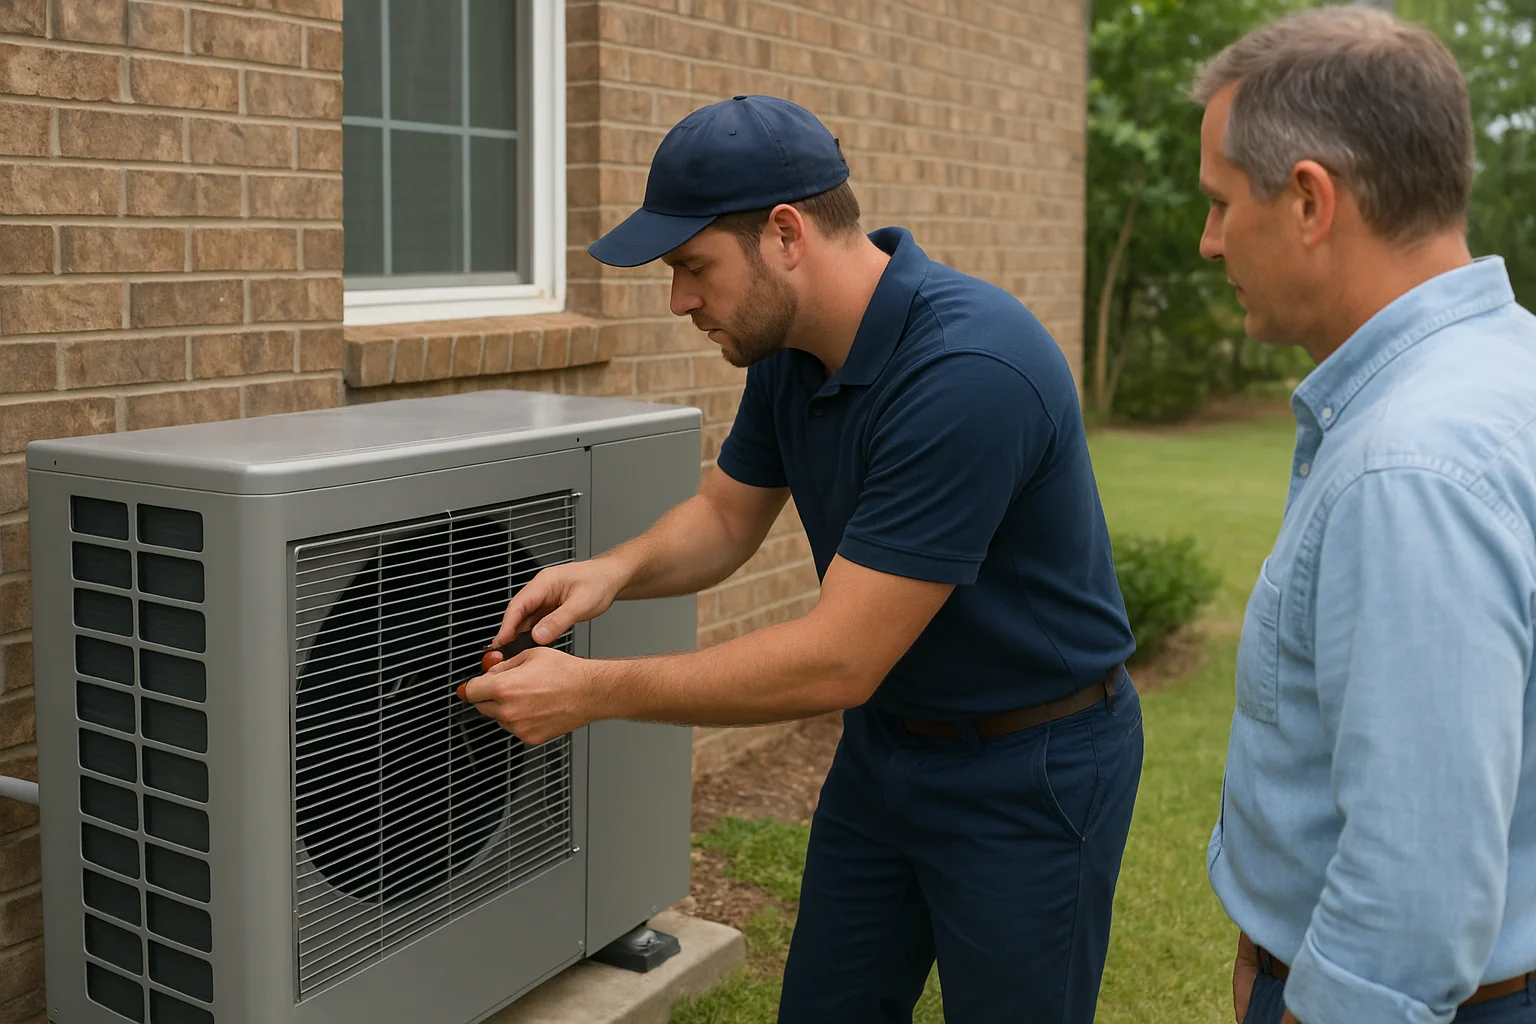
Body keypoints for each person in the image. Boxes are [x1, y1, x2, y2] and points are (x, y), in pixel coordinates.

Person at [458, 95, 1143, 1023]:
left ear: (786, 234)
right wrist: (608, 573)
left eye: (694, 268)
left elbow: (839, 659)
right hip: (889, 752)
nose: (680, 301)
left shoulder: (967, 372)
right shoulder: (790, 348)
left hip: (1032, 767)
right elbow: (725, 516)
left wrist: (591, 692)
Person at [1193, 8, 1536, 1024]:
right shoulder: (1508, 367)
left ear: (1308, 200)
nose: (1210, 242)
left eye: (1219, 203)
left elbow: (1411, 899)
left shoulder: (1410, 465)